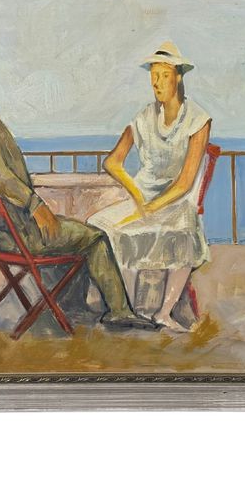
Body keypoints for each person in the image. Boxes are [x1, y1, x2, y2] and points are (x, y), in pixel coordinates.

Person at [0, 49, 152, 330]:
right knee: (95, 238)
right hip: (20, 233)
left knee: (71, 231)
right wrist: (35, 205)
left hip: (1, 232)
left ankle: (70, 306)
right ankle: (119, 312)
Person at [88, 42, 212, 332]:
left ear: (178, 77)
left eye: (164, 75)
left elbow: (185, 182)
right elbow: (112, 162)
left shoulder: (198, 120)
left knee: (184, 229)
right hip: (143, 197)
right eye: (153, 76)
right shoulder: (144, 117)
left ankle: (164, 312)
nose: (157, 83)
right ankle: (126, 306)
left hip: (176, 201)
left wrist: (152, 207)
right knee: (99, 225)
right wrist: (136, 195)